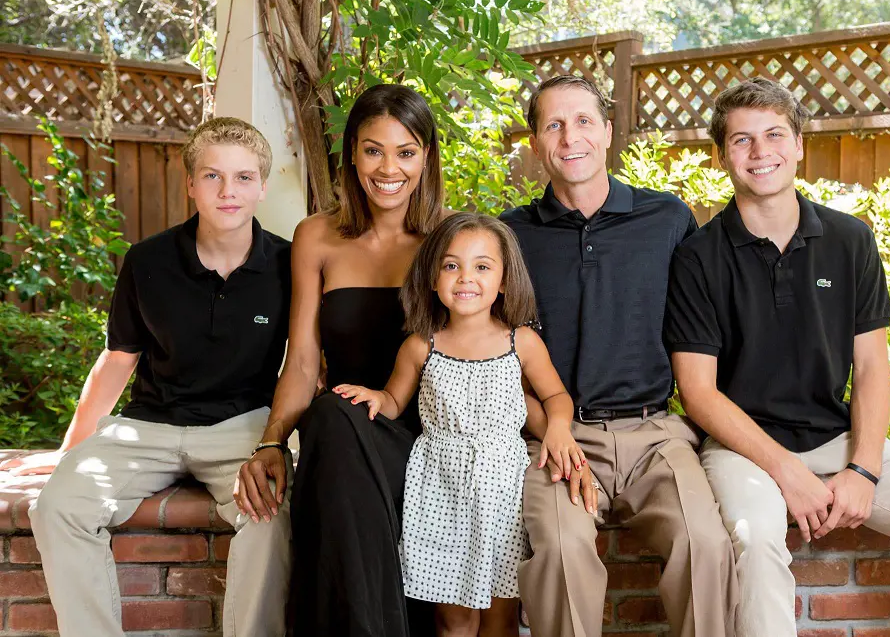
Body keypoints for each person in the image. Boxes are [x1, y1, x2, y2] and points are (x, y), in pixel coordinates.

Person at [666, 76, 890, 637]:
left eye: (774, 135)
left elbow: (873, 368)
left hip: (836, 438)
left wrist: (864, 469)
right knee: (754, 544)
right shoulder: (698, 258)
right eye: (742, 140)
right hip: (742, 450)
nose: (761, 152)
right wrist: (787, 471)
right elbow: (698, 392)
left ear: (799, 144)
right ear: (721, 154)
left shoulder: (851, 241)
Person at [0, 117, 293, 637]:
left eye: (244, 177)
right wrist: (70, 451)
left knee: (271, 519)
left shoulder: (288, 265)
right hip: (148, 428)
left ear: (262, 185)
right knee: (58, 508)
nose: (228, 191)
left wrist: (283, 443)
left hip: (242, 429)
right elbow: (118, 359)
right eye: (212, 176)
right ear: (190, 184)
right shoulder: (148, 260)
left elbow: (303, 365)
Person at [500, 74, 738, 637]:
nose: (569, 137)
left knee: (704, 542)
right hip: (554, 436)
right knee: (558, 550)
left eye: (583, 121)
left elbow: (701, 332)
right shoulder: (509, 236)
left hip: (655, 435)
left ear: (608, 132)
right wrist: (549, 428)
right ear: (535, 142)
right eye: (553, 125)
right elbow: (495, 356)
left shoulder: (667, 219)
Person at [235, 84, 444, 637]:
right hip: (342, 436)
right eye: (373, 149)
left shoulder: (451, 239)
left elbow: (491, 349)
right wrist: (273, 440)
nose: (388, 168)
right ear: (351, 152)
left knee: (332, 432)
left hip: (427, 440)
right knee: (330, 417)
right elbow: (302, 362)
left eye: (406, 152)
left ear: (427, 157)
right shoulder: (316, 237)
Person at [332, 212, 593, 637]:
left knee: (500, 613)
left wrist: (560, 427)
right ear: (433, 278)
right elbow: (397, 400)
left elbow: (555, 396)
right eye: (451, 265)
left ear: (505, 281)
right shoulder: (422, 344)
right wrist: (377, 398)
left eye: (482, 267)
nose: (465, 277)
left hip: (502, 491)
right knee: (451, 617)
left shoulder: (520, 342)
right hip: (440, 490)